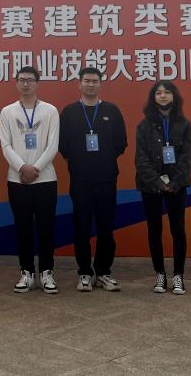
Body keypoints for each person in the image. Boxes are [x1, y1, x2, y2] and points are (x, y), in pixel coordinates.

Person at [58, 67, 127, 292]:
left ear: (100, 84)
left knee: (106, 228)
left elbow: (120, 143)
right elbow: (63, 145)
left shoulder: (111, 110)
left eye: (94, 81)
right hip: (80, 179)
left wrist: (103, 158)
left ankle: (104, 272)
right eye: (86, 80)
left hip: (106, 179)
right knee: (82, 228)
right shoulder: (69, 112)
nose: (90, 84)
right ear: (79, 84)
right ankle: (85, 273)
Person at [0, 66, 61, 294]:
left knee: (46, 228)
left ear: (37, 83)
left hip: (45, 179)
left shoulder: (50, 111)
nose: (26, 83)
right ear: (16, 83)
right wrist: (22, 167)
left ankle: (46, 272)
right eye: (22, 80)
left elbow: (53, 145)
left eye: (30, 80)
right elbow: (5, 145)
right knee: (22, 228)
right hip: (17, 181)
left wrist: (35, 168)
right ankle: (26, 272)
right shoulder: (7, 112)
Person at [135, 80, 191, 295]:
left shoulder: (184, 124)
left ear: (174, 96)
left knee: (178, 230)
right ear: (153, 98)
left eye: (167, 92)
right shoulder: (144, 125)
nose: (163, 96)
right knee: (154, 231)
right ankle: (160, 274)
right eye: (158, 93)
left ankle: (178, 275)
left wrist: (174, 183)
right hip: (150, 187)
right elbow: (141, 159)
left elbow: (187, 158)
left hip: (177, 186)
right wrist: (159, 183)